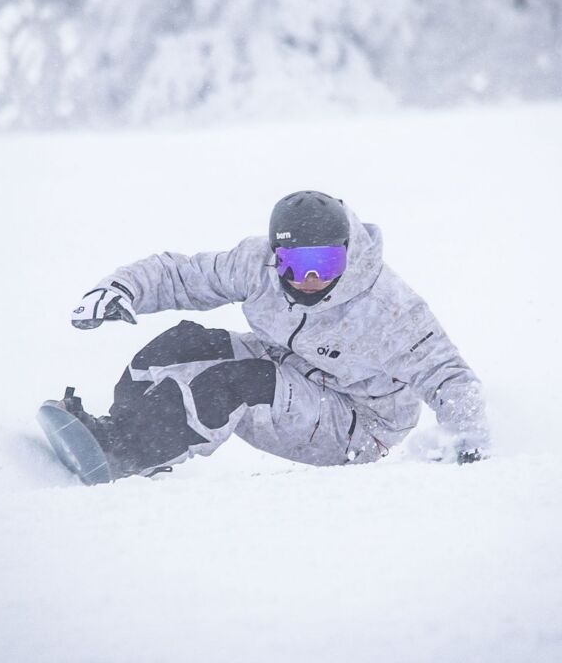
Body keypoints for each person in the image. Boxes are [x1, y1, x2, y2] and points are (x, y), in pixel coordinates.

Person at [41, 190, 490, 484]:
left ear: (348, 256)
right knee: (184, 342)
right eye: (297, 264)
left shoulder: (387, 307)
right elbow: (181, 275)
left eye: (327, 264)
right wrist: (123, 289)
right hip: (287, 364)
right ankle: (120, 432)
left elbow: (447, 373)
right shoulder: (254, 265)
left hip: (359, 423)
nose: (312, 278)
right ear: (277, 257)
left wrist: (467, 438)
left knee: (237, 384)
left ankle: (127, 456)